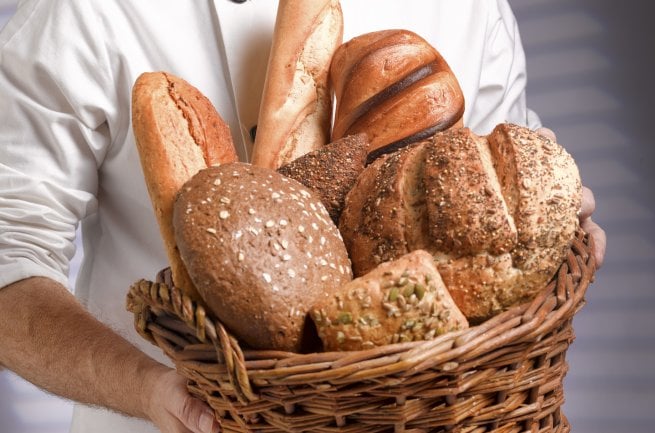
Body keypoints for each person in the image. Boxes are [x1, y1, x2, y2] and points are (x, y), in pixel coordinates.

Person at [0, 1, 606, 432]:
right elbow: (8, 265)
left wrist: (559, 234)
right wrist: (151, 390)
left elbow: (500, 217)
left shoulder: (472, 11)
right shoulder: (82, 13)